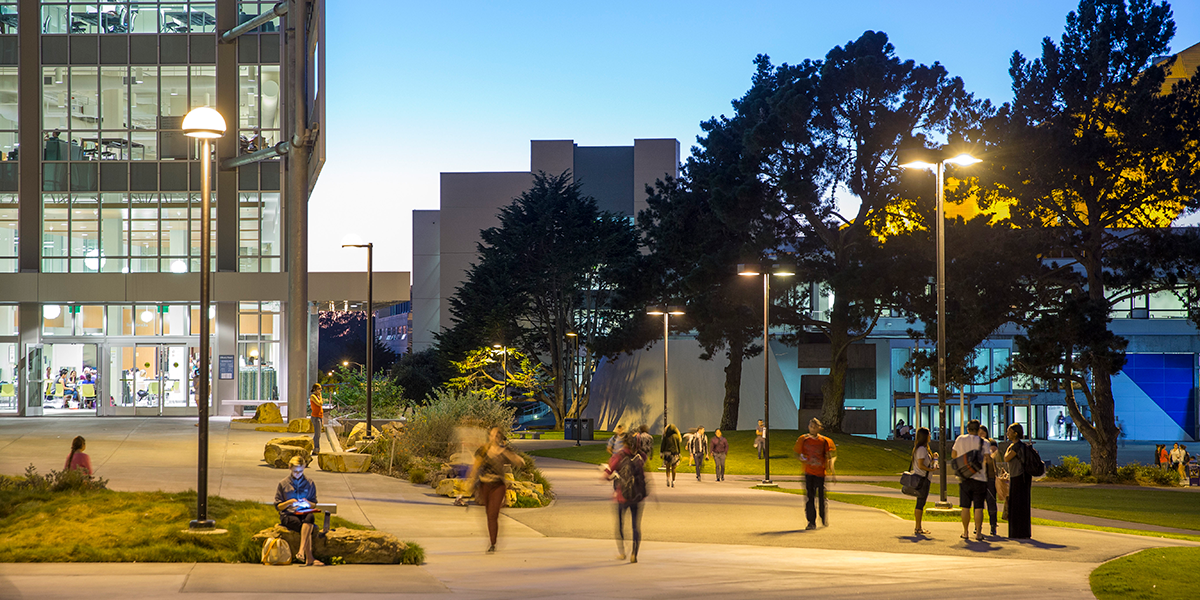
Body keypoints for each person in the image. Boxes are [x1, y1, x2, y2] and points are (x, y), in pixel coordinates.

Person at [469, 426, 526, 553]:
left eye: (496, 435)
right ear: (489, 436)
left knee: (492, 514)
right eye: (492, 435)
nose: (494, 437)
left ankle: (492, 543)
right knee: (489, 514)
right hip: (484, 485)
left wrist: (513, 457)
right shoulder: (483, 450)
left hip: (498, 485)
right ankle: (492, 540)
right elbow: (475, 466)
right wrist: (471, 481)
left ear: (500, 437)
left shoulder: (504, 451)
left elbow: (520, 462)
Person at [604, 432, 647, 563]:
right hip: (637, 496)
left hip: (622, 496)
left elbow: (607, 474)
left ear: (624, 443)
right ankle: (634, 554)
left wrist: (610, 475)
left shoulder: (619, 456)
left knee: (620, 525)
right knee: (635, 526)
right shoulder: (640, 457)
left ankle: (622, 553)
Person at [274, 456, 322, 566]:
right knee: (305, 527)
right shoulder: (283, 484)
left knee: (310, 517)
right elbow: (278, 506)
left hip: (303, 512)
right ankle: (308, 557)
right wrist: (289, 502)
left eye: (300, 471)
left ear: (304, 467)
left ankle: (301, 552)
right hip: (288, 514)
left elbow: (314, 502)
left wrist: (307, 502)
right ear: (290, 468)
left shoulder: (309, 483)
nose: (298, 474)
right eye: (295, 471)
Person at [795, 418, 836, 530]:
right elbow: (797, 454)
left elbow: (829, 455)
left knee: (822, 497)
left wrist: (832, 472)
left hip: (820, 473)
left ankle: (823, 516)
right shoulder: (803, 439)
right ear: (808, 427)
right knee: (810, 497)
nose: (813, 428)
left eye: (815, 426)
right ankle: (811, 521)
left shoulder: (824, 441)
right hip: (809, 472)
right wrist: (802, 459)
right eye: (811, 426)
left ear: (819, 428)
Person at [952, 419, 988, 541]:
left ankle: (965, 532)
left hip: (964, 477)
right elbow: (987, 459)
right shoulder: (984, 442)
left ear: (967, 429)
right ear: (979, 430)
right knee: (978, 506)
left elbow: (953, 455)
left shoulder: (960, 439)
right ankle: (978, 532)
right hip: (980, 477)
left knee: (965, 506)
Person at [1003, 423, 1033, 539]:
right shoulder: (1019, 446)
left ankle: (1017, 532)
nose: (1007, 434)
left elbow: (1006, 458)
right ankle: (1021, 531)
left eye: (1009, 431)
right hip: (1020, 477)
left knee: (1017, 505)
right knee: (1020, 505)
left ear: (1015, 433)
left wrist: (1008, 448)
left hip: (1018, 477)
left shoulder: (1016, 446)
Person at [909, 427, 937, 536]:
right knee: (920, 502)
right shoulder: (921, 449)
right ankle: (917, 527)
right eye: (929, 434)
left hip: (925, 478)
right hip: (922, 479)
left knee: (921, 502)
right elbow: (921, 465)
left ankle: (919, 526)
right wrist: (931, 470)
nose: (930, 435)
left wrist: (934, 459)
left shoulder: (923, 449)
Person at [660, 423, 682, 487]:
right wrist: (679, 453)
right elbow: (678, 445)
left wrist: (661, 452)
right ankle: (673, 480)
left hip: (667, 453)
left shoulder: (665, 436)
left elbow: (663, 445)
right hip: (674, 453)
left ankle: (668, 478)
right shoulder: (676, 436)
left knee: (667, 467)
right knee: (673, 468)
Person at [308, 383, 324, 455]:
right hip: (315, 416)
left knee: (318, 434)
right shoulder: (313, 396)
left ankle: (316, 448)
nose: (320, 390)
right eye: (319, 388)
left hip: (320, 416)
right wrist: (320, 397)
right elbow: (319, 403)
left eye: (320, 388)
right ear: (315, 389)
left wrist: (320, 397)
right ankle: (316, 449)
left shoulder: (318, 396)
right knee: (317, 434)